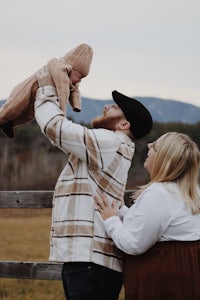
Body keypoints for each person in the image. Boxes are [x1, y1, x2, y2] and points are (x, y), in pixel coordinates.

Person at [34, 67, 153, 300]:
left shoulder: (111, 142)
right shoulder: (114, 145)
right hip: (92, 260)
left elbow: (55, 127)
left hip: (91, 259)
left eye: (115, 107)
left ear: (123, 125)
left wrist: (46, 88)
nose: (106, 107)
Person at [95, 132, 200, 300]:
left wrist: (111, 220)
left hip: (163, 283)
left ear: (163, 159)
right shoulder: (190, 191)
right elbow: (155, 224)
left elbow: (134, 244)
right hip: (185, 279)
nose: (149, 146)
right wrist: (122, 211)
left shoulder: (159, 193)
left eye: (154, 146)